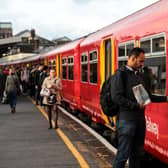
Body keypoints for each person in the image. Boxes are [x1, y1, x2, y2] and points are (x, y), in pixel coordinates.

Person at [111, 47, 168, 168]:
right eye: (141, 61)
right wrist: (135, 106)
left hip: (139, 121)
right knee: (123, 154)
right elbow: (117, 97)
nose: (142, 64)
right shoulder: (120, 75)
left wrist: (166, 99)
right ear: (132, 58)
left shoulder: (140, 76)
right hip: (126, 121)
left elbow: (148, 96)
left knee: (137, 154)